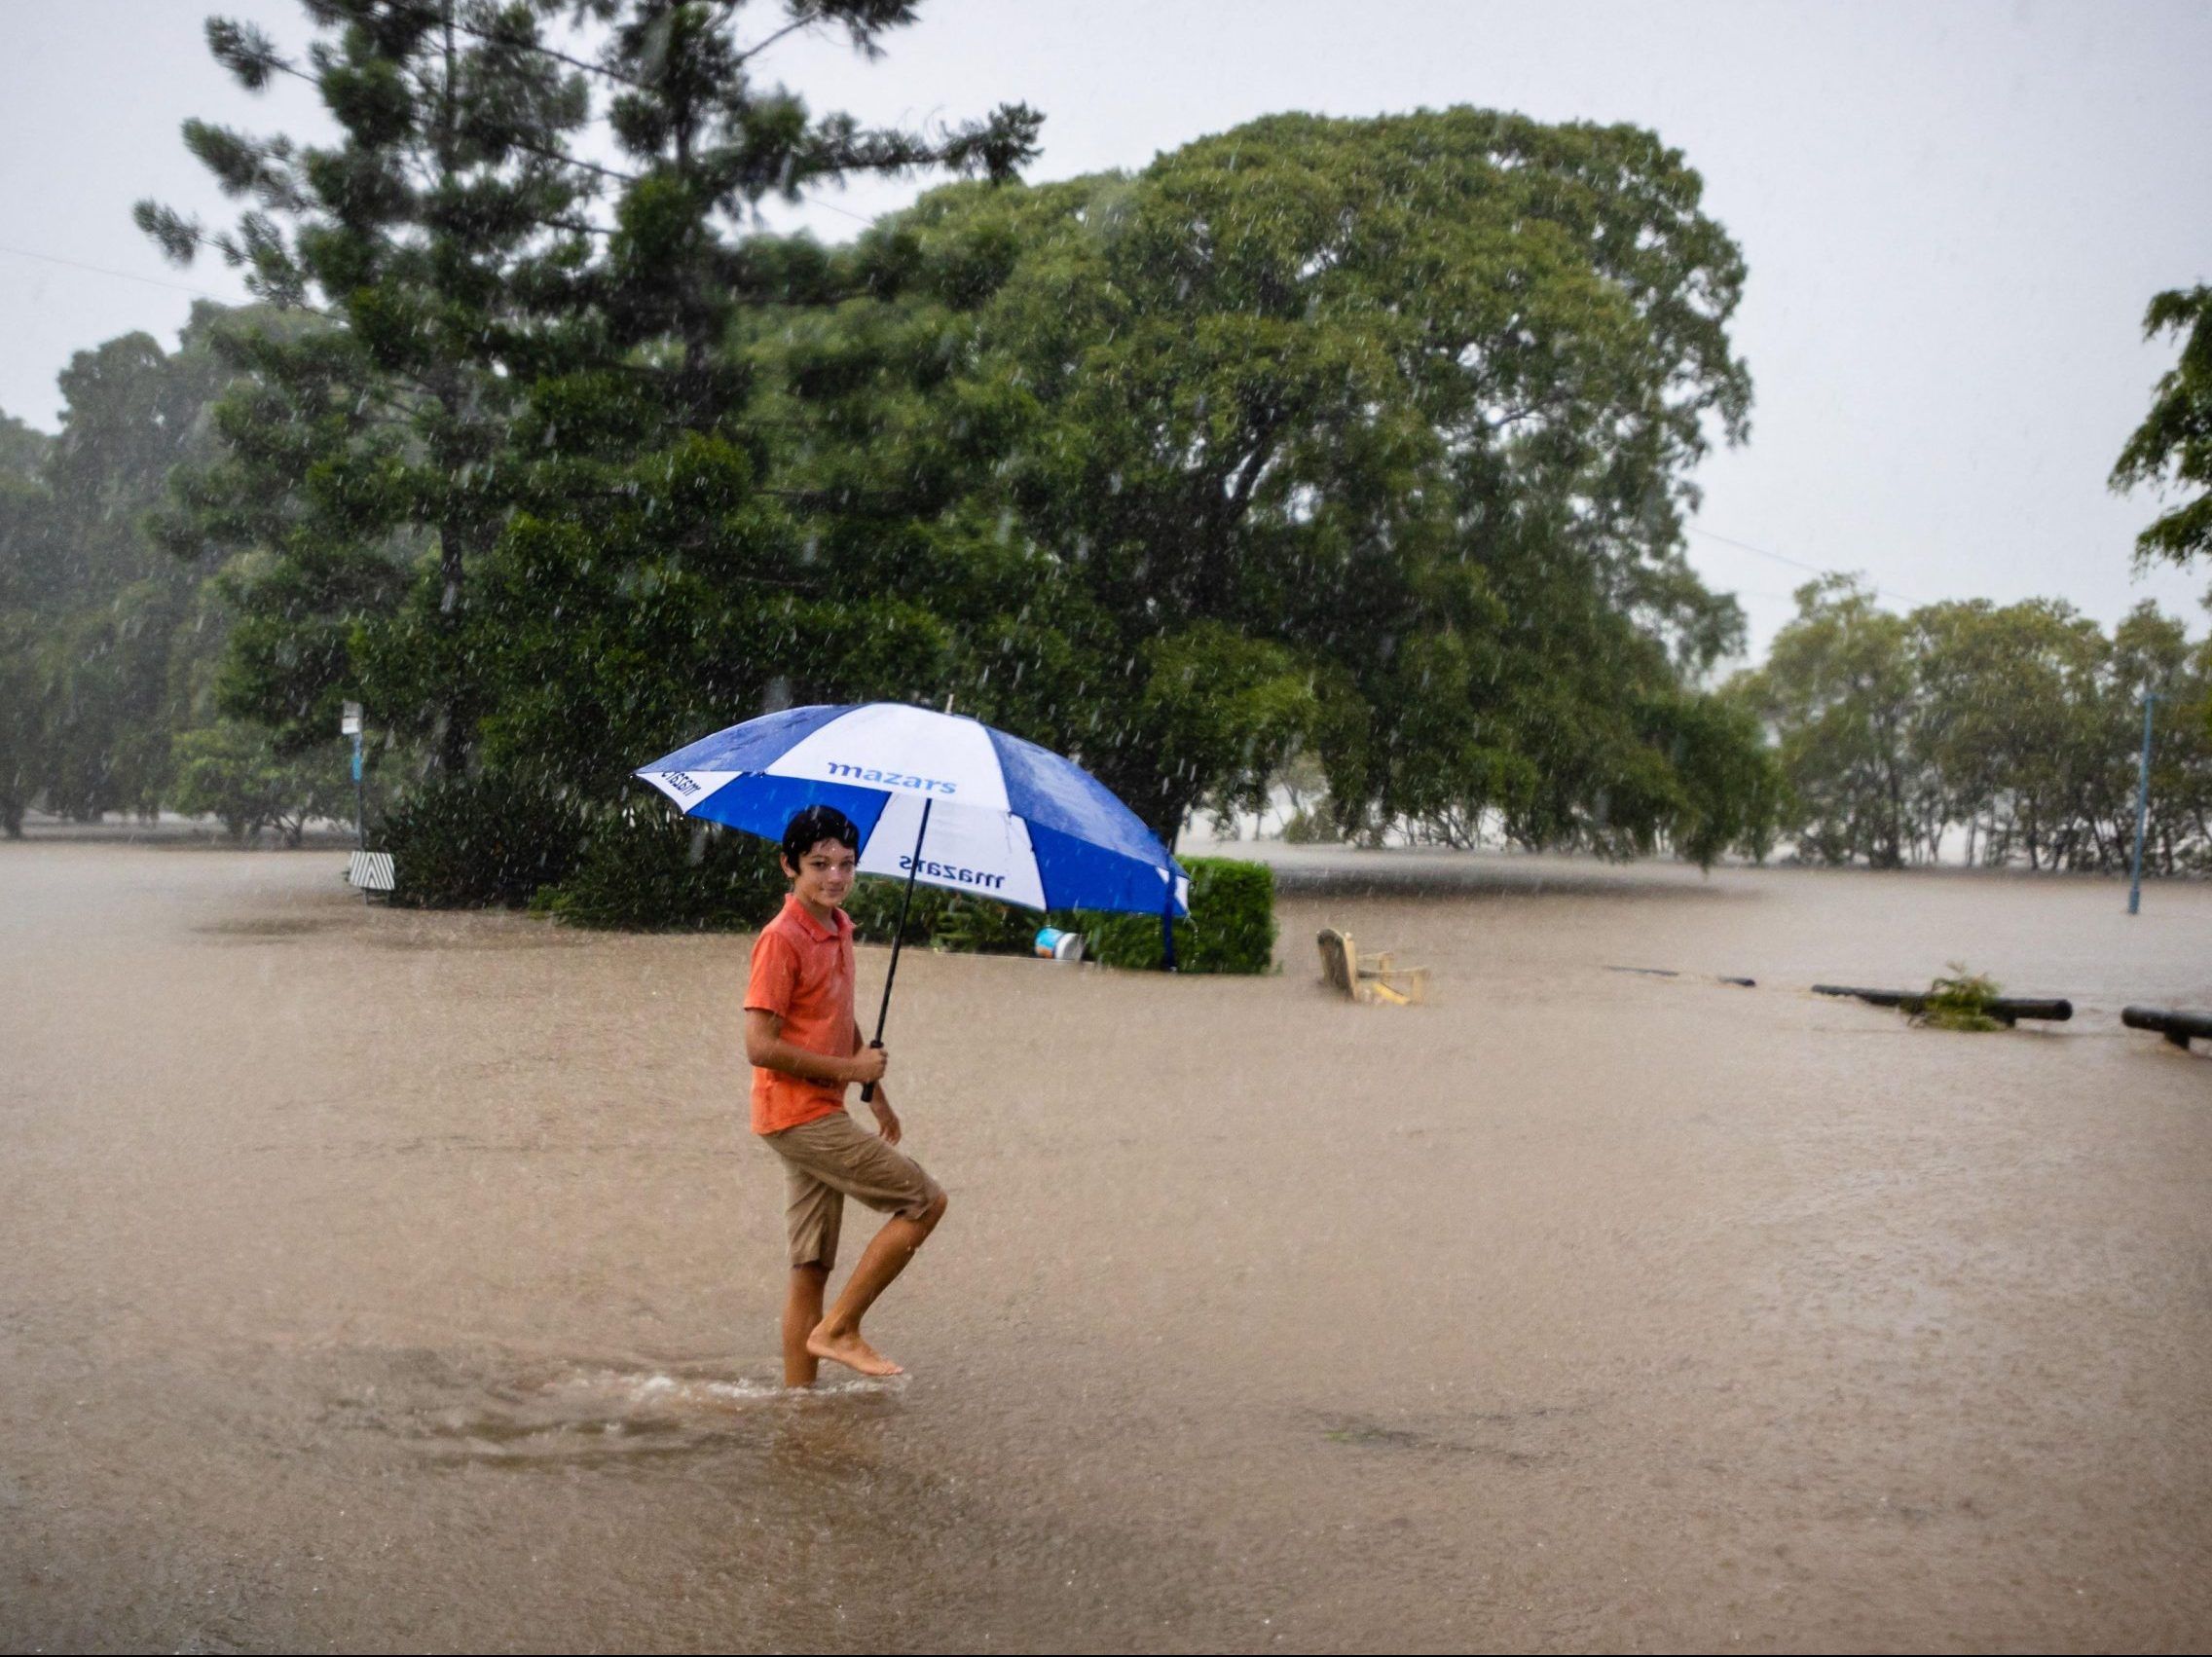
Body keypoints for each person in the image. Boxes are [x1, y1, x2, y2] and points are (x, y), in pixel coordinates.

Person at [744, 804, 948, 1383]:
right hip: (797, 1114)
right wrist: (851, 1067)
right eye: (819, 864)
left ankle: (797, 1412)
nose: (835, 876)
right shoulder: (780, 940)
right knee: (925, 1202)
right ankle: (839, 1329)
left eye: (847, 863)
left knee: (810, 1267)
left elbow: (836, 1014)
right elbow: (759, 1045)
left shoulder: (838, 927)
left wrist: (871, 1086)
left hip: (816, 1109)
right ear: (788, 866)